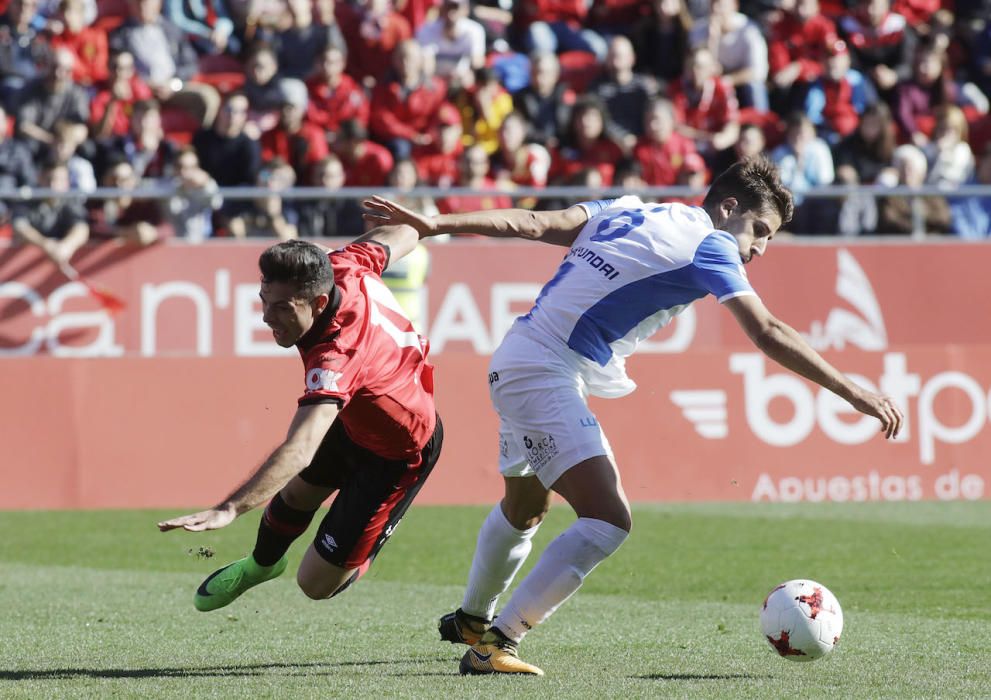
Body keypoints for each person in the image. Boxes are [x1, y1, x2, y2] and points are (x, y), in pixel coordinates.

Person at [363, 156, 904, 676]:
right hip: (543, 373)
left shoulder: (628, 208)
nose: (760, 247)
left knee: (525, 506)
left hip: (519, 354)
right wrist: (851, 390)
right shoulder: (713, 244)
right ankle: (498, 644)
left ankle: (472, 620)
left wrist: (436, 225)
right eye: (759, 230)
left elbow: (532, 222)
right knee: (607, 519)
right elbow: (767, 331)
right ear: (728, 207)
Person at [158, 229, 444, 613]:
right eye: (264, 301)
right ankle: (260, 566)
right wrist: (430, 222)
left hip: (401, 451)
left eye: (282, 308)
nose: (266, 317)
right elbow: (405, 233)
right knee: (295, 495)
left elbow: (299, 450)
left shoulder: (336, 355)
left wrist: (229, 508)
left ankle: (370, 542)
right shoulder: (344, 263)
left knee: (314, 584)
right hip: (355, 418)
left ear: (319, 302)